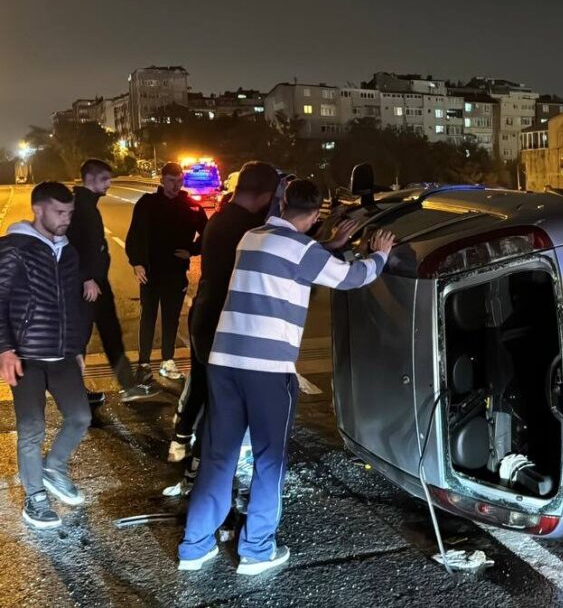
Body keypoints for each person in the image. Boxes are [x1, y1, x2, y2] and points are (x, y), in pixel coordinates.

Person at [178, 179, 394, 575]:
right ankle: (256, 550)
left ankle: (194, 547)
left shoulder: (251, 237)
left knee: (218, 456)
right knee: (269, 460)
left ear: (282, 202)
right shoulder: (303, 249)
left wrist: (325, 246)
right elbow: (351, 278)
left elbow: (288, 260)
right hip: (268, 372)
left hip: (225, 363)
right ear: (314, 216)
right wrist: (378, 255)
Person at [168, 162, 281, 469]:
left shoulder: (221, 218)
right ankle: (200, 472)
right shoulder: (248, 230)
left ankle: (181, 440)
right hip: (223, 324)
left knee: (203, 383)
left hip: (204, 313)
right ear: (266, 196)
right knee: (220, 402)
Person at [0, 182, 92, 529]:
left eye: (69, 212)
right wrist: (5, 349)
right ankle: (35, 497)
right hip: (24, 355)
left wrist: (78, 346)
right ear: (38, 210)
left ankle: (54, 466)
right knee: (32, 426)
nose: (66, 219)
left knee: (81, 417)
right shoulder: (13, 249)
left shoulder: (68, 252)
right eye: (59, 212)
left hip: (63, 354)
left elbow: (74, 304)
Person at [69, 159, 151, 403]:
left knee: (110, 333)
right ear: (91, 179)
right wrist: (88, 279)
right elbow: (74, 248)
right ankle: (74, 394)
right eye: (105, 179)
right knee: (80, 339)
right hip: (87, 287)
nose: (109, 184)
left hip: (97, 284)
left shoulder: (87, 204)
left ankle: (128, 385)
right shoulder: (80, 207)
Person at [125, 162, 208, 384]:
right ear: (161, 180)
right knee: (148, 317)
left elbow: (207, 234)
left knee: (171, 318)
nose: (175, 185)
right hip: (150, 272)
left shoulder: (191, 206)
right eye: (171, 180)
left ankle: (167, 360)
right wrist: (137, 263)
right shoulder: (147, 204)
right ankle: (143, 364)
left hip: (176, 272)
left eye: (179, 180)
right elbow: (134, 236)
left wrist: (191, 251)